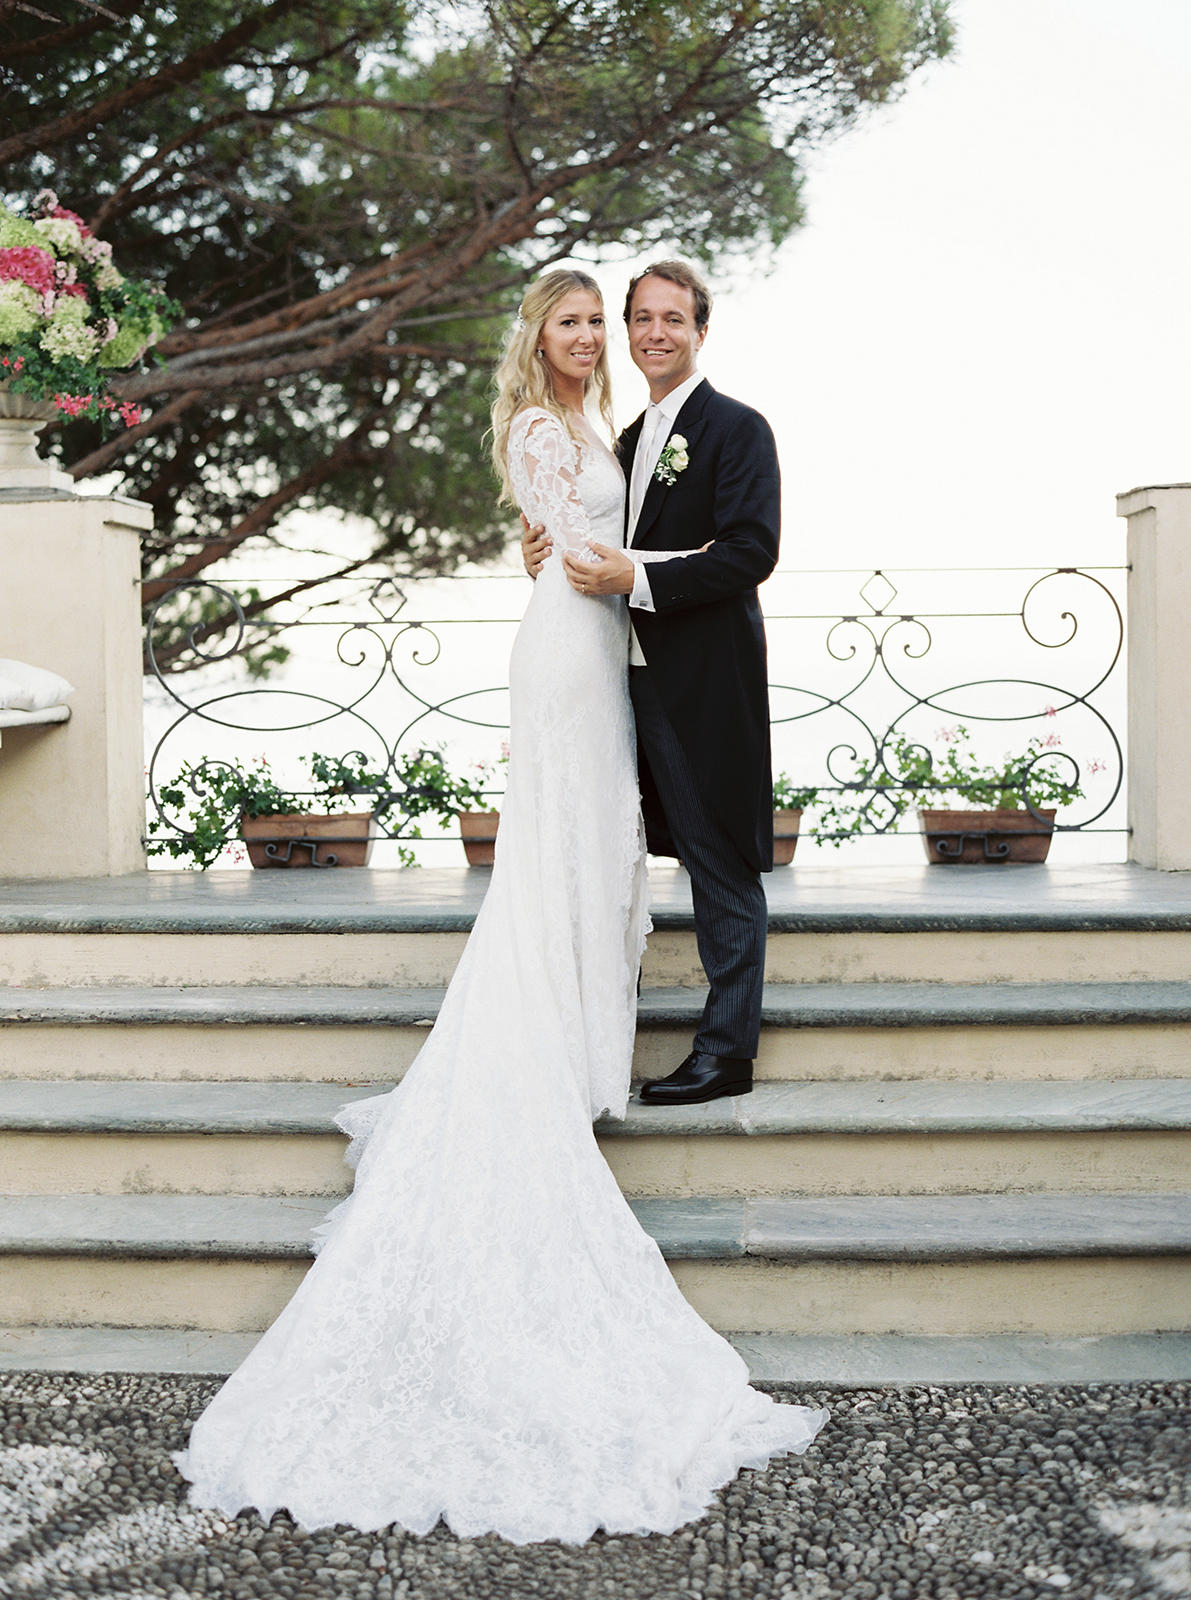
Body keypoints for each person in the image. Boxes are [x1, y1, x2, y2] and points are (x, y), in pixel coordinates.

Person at [175, 269, 825, 1546]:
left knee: (663, 857)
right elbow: (558, 530)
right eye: (592, 321)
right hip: (580, 662)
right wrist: (569, 554)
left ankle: (702, 1042)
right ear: (551, 337)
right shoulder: (578, 430)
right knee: (570, 856)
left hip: (648, 660)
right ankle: (562, 1051)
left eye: (639, 321)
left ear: (690, 331)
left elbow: (714, 550)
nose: (620, 337)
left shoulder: (702, 428)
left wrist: (606, 564)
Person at [522, 260, 780, 1108]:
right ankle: (587, 1033)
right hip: (616, 680)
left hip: (704, 684)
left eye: (674, 318)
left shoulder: (737, 430)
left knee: (721, 859)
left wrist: (636, 575)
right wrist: (538, 556)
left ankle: (725, 1051)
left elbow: (749, 553)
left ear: (701, 331)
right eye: (641, 318)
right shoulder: (625, 441)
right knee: (607, 853)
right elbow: (580, 532)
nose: (654, 332)